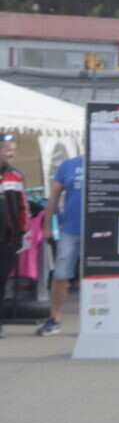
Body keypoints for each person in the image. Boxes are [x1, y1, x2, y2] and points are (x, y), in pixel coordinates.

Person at [36, 154, 83, 336]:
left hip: (97, 231)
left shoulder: (107, 163)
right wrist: (47, 226)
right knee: (61, 274)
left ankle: (93, 322)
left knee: (94, 277)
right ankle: (54, 318)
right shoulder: (68, 165)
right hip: (70, 229)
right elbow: (53, 197)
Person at [0, 134, 27, 336]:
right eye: (8, 148)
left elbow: (23, 206)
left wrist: (20, 234)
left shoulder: (15, 175)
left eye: (13, 149)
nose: (12, 153)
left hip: (6, 239)